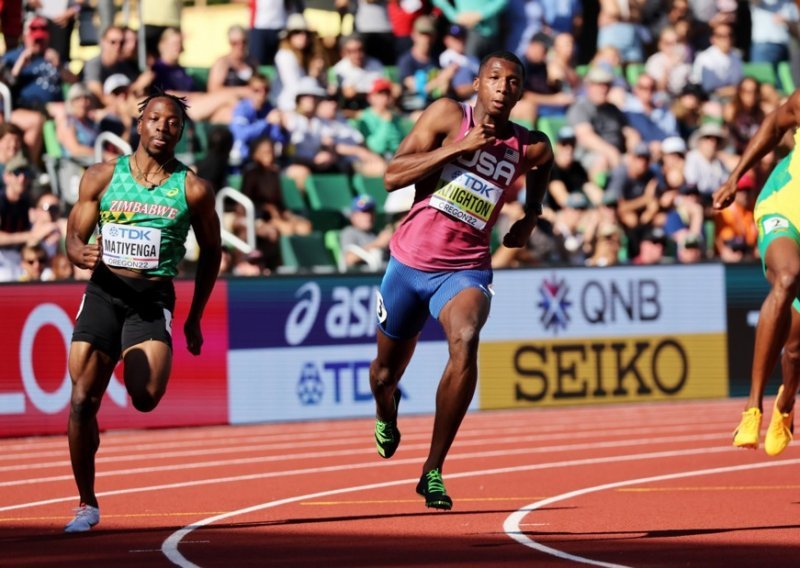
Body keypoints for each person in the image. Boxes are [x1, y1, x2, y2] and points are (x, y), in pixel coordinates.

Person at [369, 51, 553, 510]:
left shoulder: (527, 145)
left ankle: (432, 469)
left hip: (465, 268)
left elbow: (544, 161)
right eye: (494, 78)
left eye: (513, 81)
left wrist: (531, 215)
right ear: (477, 83)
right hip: (408, 265)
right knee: (384, 375)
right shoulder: (449, 115)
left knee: (466, 339)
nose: (503, 87)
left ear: (520, 92)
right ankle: (385, 412)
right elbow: (392, 177)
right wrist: (458, 147)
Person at [63, 92, 222, 532]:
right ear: (139, 124)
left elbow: (212, 252)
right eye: (155, 119)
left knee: (147, 397)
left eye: (173, 123)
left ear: (181, 132)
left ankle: (123, 358)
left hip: (151, 301)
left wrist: (194, 317)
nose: (162, 128)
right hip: (103, 292)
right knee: (81, 401)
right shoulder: (101, 176)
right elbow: (74, 235)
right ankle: (86, 503)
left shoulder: (192, 188)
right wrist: (77, 250)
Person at [712, 89, 800, 458]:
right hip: (784, 206)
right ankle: (752, 408)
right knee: (787, 276)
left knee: (795, 350)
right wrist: (736, 177)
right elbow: (773, 124)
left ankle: (786, 403)